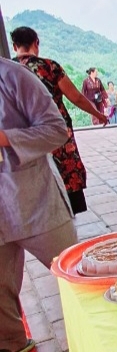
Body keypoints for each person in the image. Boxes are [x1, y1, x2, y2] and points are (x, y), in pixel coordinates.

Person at [0, 58, 77, 352]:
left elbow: (56, 131)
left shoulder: (14, 77)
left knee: (76, 278)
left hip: (36, 202)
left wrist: (5, 138)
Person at [11, 26, 108, 214]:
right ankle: (67, 218)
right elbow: (76, 97)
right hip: (56, 134)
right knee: (65, 175)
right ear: (36, 43)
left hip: (26, 135)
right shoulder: (50, 68)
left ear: (15, 46)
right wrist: (98, 114)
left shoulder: (9, 71)